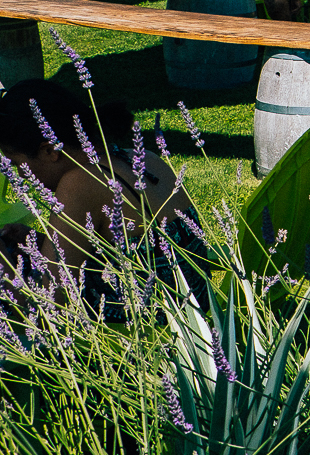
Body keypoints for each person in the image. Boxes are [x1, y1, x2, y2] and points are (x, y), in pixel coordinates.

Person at [0, 79, 207, 296]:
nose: (20, 175)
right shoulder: (147, 159)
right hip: (202, 312)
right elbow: (144, 254)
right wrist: (39, 244)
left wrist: (4, 265)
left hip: (147, 317)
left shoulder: (79, 184)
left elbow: (52, 304)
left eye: (16, 164)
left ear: (49, 150)